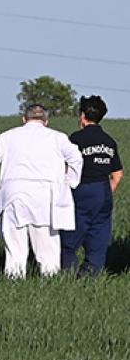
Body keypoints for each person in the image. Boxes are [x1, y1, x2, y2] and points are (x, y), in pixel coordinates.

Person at [0, 104, 83, 278]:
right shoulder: (57, 137)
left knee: (15, 250)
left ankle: (14, 284)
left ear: (24, 119)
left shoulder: (8, 136)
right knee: (48, 249)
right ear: (46, 121)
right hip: (46, 196)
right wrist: (69, 182)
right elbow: (76, 158)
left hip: (13, 194)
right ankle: (51, 285)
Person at [61, 95, 122, 275]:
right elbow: (118, 175)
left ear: (82, 115)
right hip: (103, 191)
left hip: (82, 190)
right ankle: (90, 276)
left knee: (69, 240)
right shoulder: (109, 141)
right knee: (98, 240)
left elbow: (65, 168)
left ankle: (68, 276)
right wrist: (105, 192)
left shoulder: (76, 139)